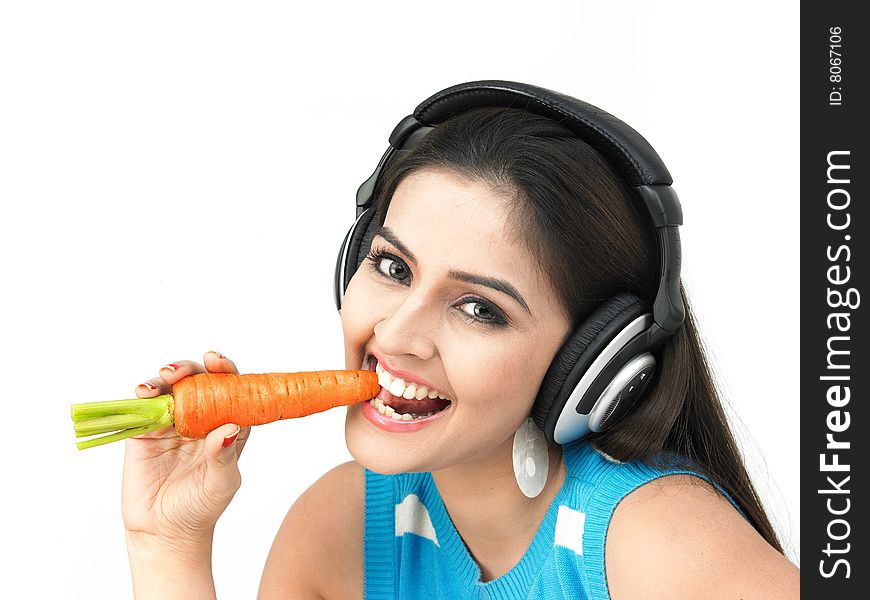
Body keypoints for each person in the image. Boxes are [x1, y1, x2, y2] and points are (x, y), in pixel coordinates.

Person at [122, 81, 800, 599]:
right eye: (391, 267)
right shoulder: (341, 528)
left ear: (588, 363)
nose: (397, 332)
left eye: (478, 308)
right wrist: (169, 545)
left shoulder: (653, 541)